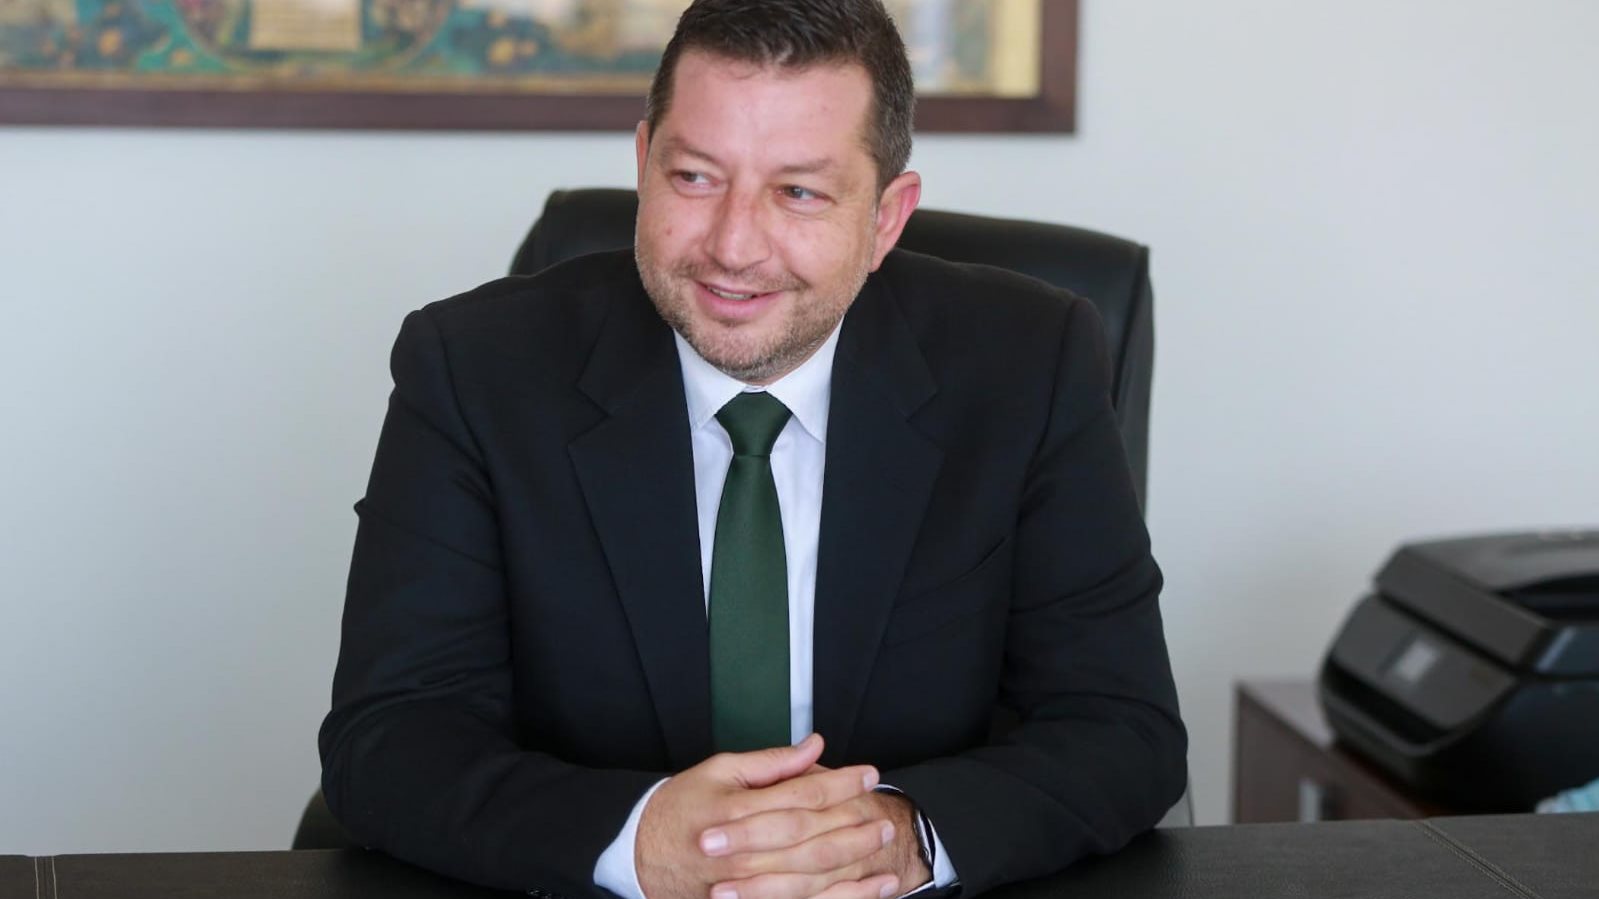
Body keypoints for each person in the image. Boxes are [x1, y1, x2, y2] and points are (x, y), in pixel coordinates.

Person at [317, 2, 1187, 898]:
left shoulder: (1026, 364)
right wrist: (639, 840)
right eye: (694, 177)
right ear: (644, 162)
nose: (733, 247)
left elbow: (1120, 726)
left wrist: (896, 838)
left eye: (798, 192)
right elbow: (391, 737)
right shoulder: (474, 368)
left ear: (887, 217)